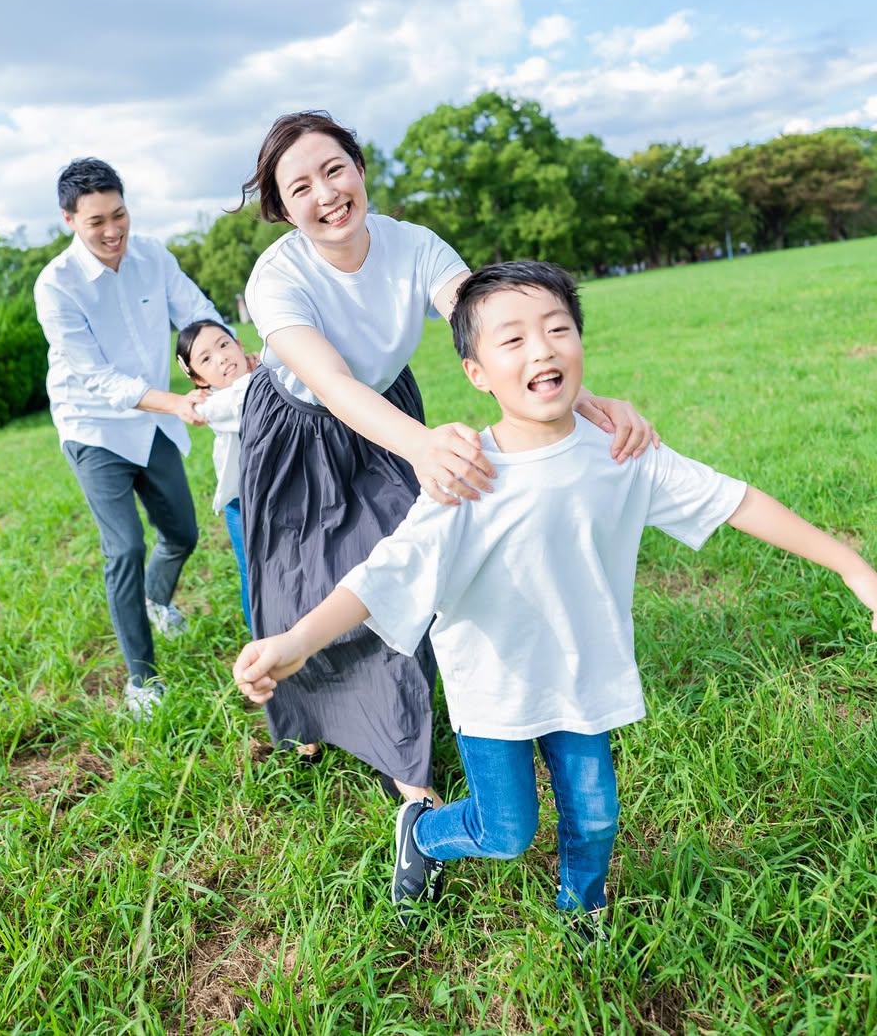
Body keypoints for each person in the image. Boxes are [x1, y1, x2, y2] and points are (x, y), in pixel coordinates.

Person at [233, 260, 877, 927]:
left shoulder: (622, 452)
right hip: (495, 688)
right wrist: (299, 639)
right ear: (477, 372)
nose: (541, 348)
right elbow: (385, 572)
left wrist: (852, 568)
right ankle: (422, 835)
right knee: (506, 832)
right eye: (512, 340)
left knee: (596, 816)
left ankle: (582, 906)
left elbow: (735, 500)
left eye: (558, 328)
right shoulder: (468, 478)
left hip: (585, 678)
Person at [237, 113, 655, 804]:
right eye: (301, 186)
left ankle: (408, 771)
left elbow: (489, 318)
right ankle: (309, 718)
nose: (327, 193)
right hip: (296, 428)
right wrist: (425, 444)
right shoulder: (275, 278)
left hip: (388, 411)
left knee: (406, 565)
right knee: (294, 585)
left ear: (361, 169)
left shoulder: (412, 245)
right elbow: (333, 383)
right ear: (282, 208)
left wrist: (580, 398)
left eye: (335, 169)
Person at [34, 157, 224, 720]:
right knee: (125, 547)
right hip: (92, 426)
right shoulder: (56, 286)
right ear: (69, 220)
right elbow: (95, 376)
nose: (113, 230)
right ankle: (142, 681)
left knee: (183, 534)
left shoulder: (152, 257)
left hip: (151, 421)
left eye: (120, 215)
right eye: (97, 222)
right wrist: (178, 402)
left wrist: (229, 358)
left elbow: (196, 312)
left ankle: (156, 599)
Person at [175, 319, 255, 629]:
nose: (221, 358)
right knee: (252, 573)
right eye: (206, 359)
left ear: (238, 344)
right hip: (243, 504)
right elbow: (248, 397)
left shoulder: (262, 375)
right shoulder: (214, 406)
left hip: (283, 492)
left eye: (223, 345)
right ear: (197, 379)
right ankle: (259, 638)